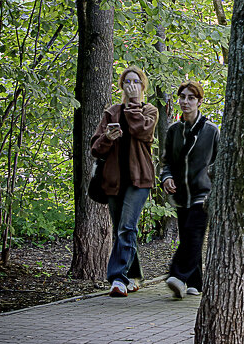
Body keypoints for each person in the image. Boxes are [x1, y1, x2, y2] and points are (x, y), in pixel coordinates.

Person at [91, 65, 158, 297]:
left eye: (136, 82)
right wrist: (107, 138)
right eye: (127, 82)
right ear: (121, 85)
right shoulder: (111, 112)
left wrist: (133, 106)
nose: (132, 86)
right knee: (122, 229)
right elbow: (95, 148)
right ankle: (134, 275)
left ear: (142, 86)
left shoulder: (150, 110)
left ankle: (117, 278)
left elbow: (143, 132)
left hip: (140, 180)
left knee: (127, 226)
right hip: (113, 181)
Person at [160, 80, 220, 299]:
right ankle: (196, 282)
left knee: (194, 234)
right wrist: (166, 178)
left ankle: (177, 275)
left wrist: (215, 189)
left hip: (204, 193)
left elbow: (219, 163)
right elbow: (166, 162)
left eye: (191, 98)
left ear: (199, 102)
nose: (186, 102)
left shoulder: (212, 131)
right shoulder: (173, 131)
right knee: (187, 235)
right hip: (181, 194)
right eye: (182, 97)